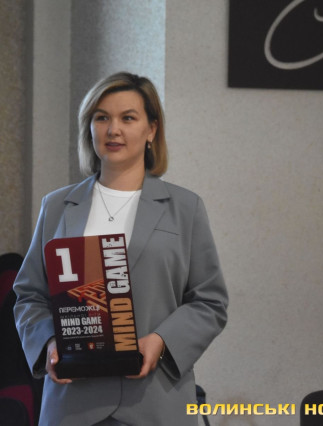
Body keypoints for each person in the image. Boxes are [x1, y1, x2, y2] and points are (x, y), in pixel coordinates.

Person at [13, 71, 228, 426]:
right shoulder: (57, 207)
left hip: (155, 403)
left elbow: (210, 301)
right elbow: (29, 296)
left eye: (128, 118)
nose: (113, 130)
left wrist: (161, 341)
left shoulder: (185, 207)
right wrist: (49, 342)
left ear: (151, 130)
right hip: (73, 405)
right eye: (102, 118)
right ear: (90, 128)